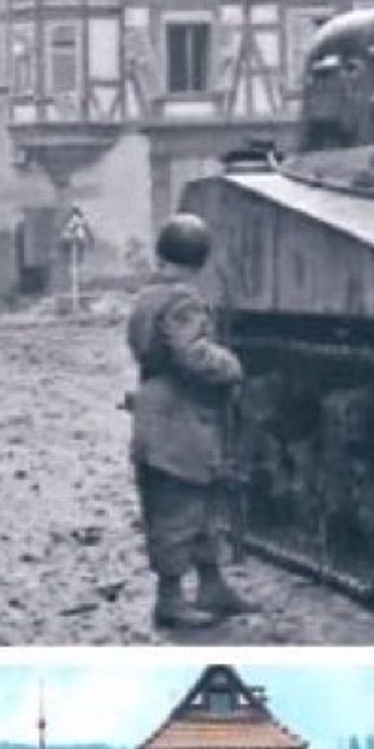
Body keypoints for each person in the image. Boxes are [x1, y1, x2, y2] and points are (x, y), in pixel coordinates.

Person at [126, 214, 249, 632]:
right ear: (200, 260)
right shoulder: (181, 300)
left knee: (201, 502)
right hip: (178, 417)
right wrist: (229, 363)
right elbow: (190, 354)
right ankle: (171, 600)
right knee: (179, 506)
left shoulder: (147, 296)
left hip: (162, 412)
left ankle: (212, 584)